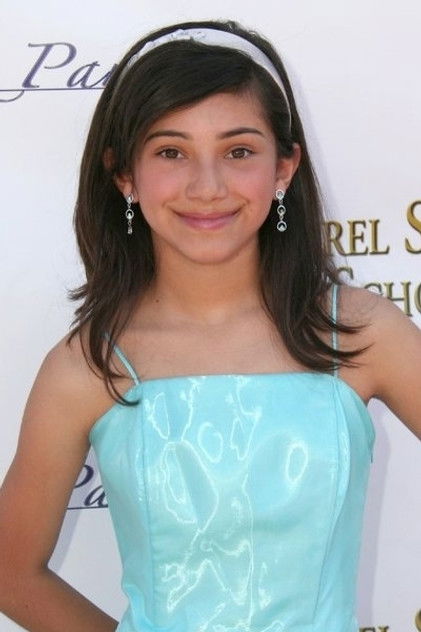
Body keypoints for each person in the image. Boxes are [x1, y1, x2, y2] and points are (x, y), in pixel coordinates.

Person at [0, 18, 420, 632]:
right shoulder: (89, 364)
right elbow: (11, 571)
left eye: (238, 151)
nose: (207, 186)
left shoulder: (361, 333)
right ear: (124, 174)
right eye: (171, 152)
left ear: (284, 168)